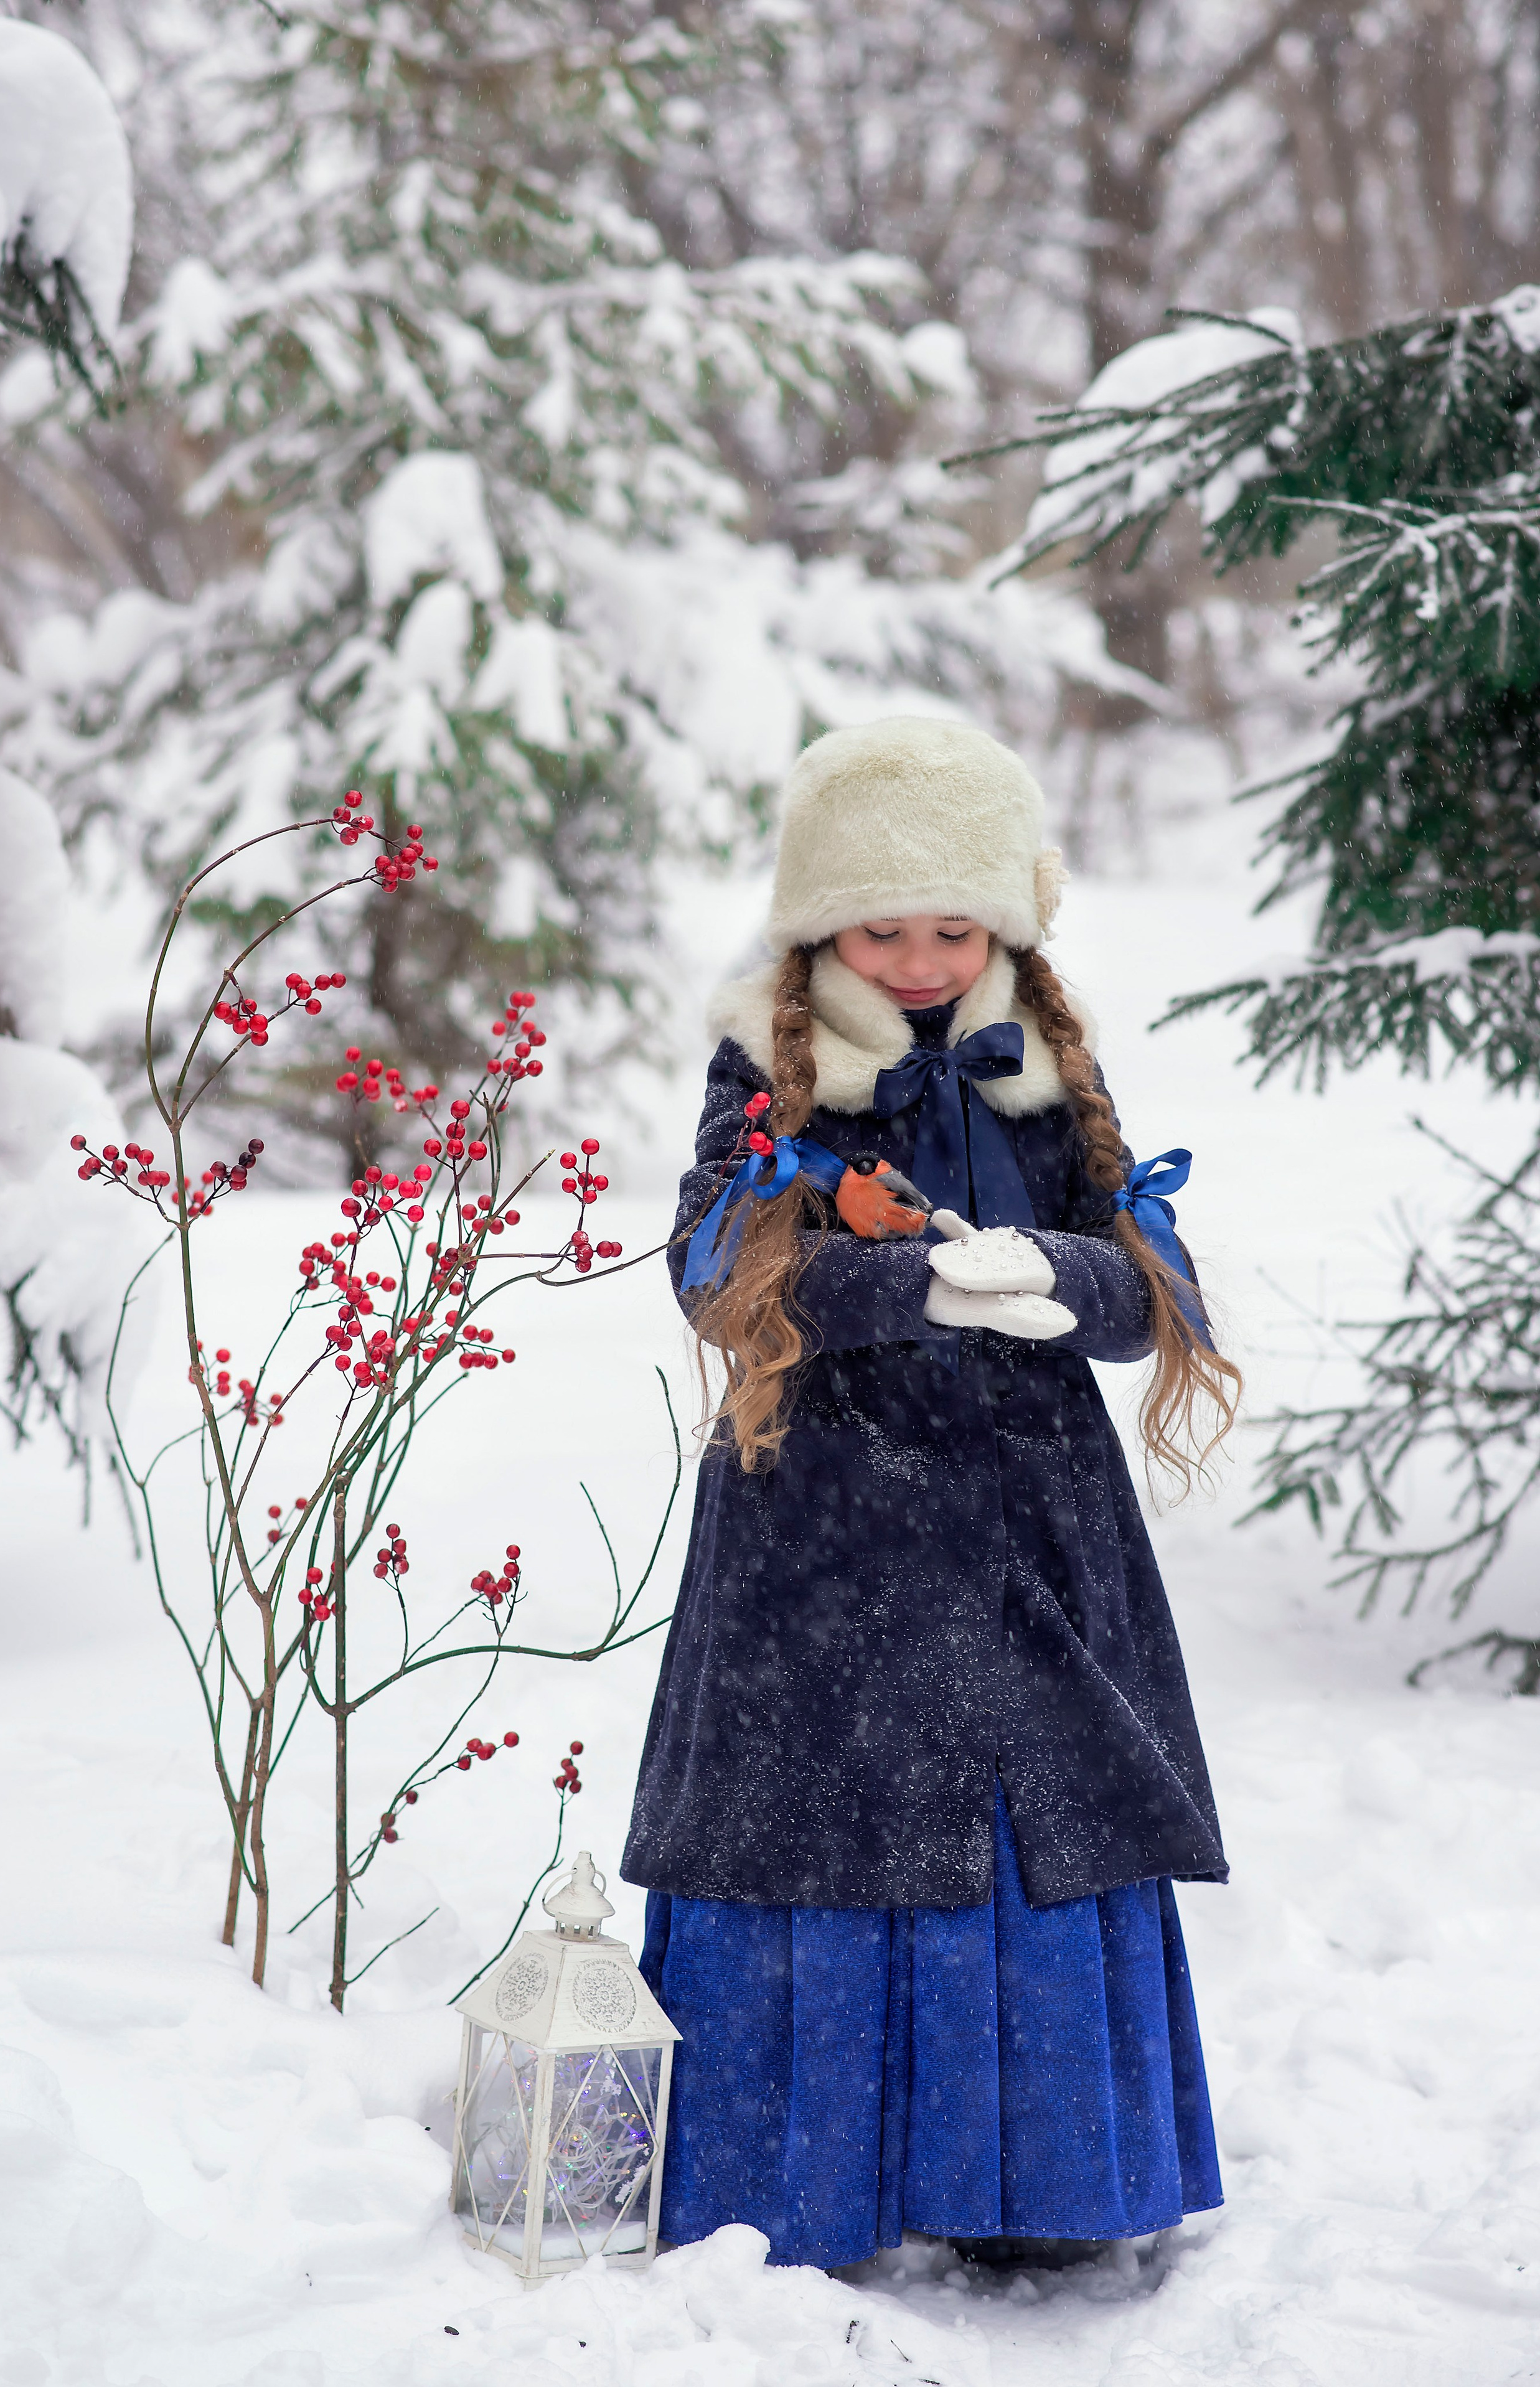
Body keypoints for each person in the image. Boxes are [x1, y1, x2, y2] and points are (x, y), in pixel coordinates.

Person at [624, 716, 1241, 2272]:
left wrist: (1057, 1275)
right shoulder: (764, 1068)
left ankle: (1035, 2189)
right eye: (879, 927)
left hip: (1031, 1520)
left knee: (1033, 1810)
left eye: (952, 928)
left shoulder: (1044, 1065)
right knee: (823, 1819)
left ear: (1005, 924)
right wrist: (903, 1287)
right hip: (818, 1525)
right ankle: (804, 2186)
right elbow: (710, 1274)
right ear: (814, 924)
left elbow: (1153, 1292)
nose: (915, 959)